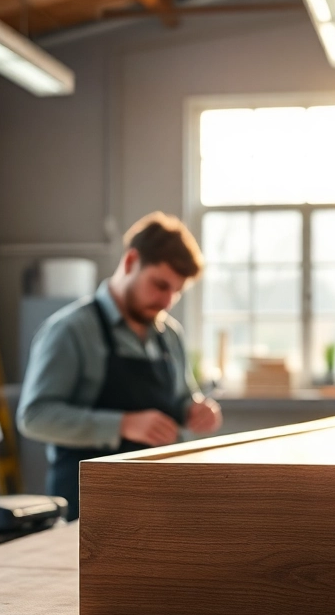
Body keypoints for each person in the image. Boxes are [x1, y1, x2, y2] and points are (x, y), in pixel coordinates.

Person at [18, 212, 222, 519]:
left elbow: (182, 398)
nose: (167, 301)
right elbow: (34, 417)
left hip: (159, 504)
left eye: (176, 292)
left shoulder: (170, 335)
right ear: (130, 262)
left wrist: (194, 409)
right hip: (88, 508)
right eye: (160, 285)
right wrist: (124, 424)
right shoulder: (70, 330)